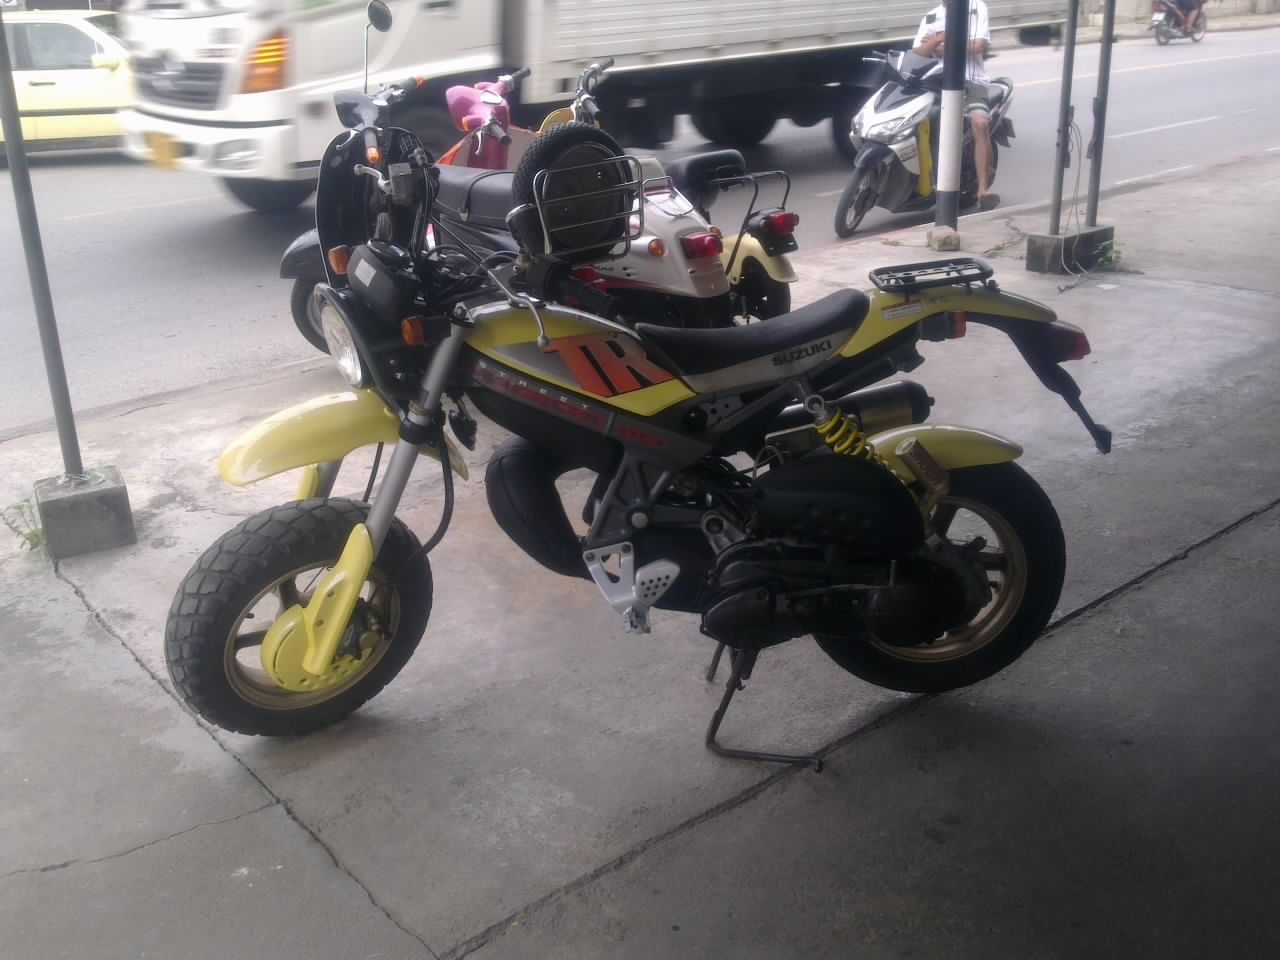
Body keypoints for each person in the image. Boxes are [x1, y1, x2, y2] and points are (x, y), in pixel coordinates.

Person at [912, 0, 999, 210]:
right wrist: (941, 38)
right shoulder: (931, 16)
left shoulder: (976, 7)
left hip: (972, 81)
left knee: (980, 124)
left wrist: (940, 45)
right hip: (938, 81)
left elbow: (979, 45)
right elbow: (918, 52)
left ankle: (982, 191)